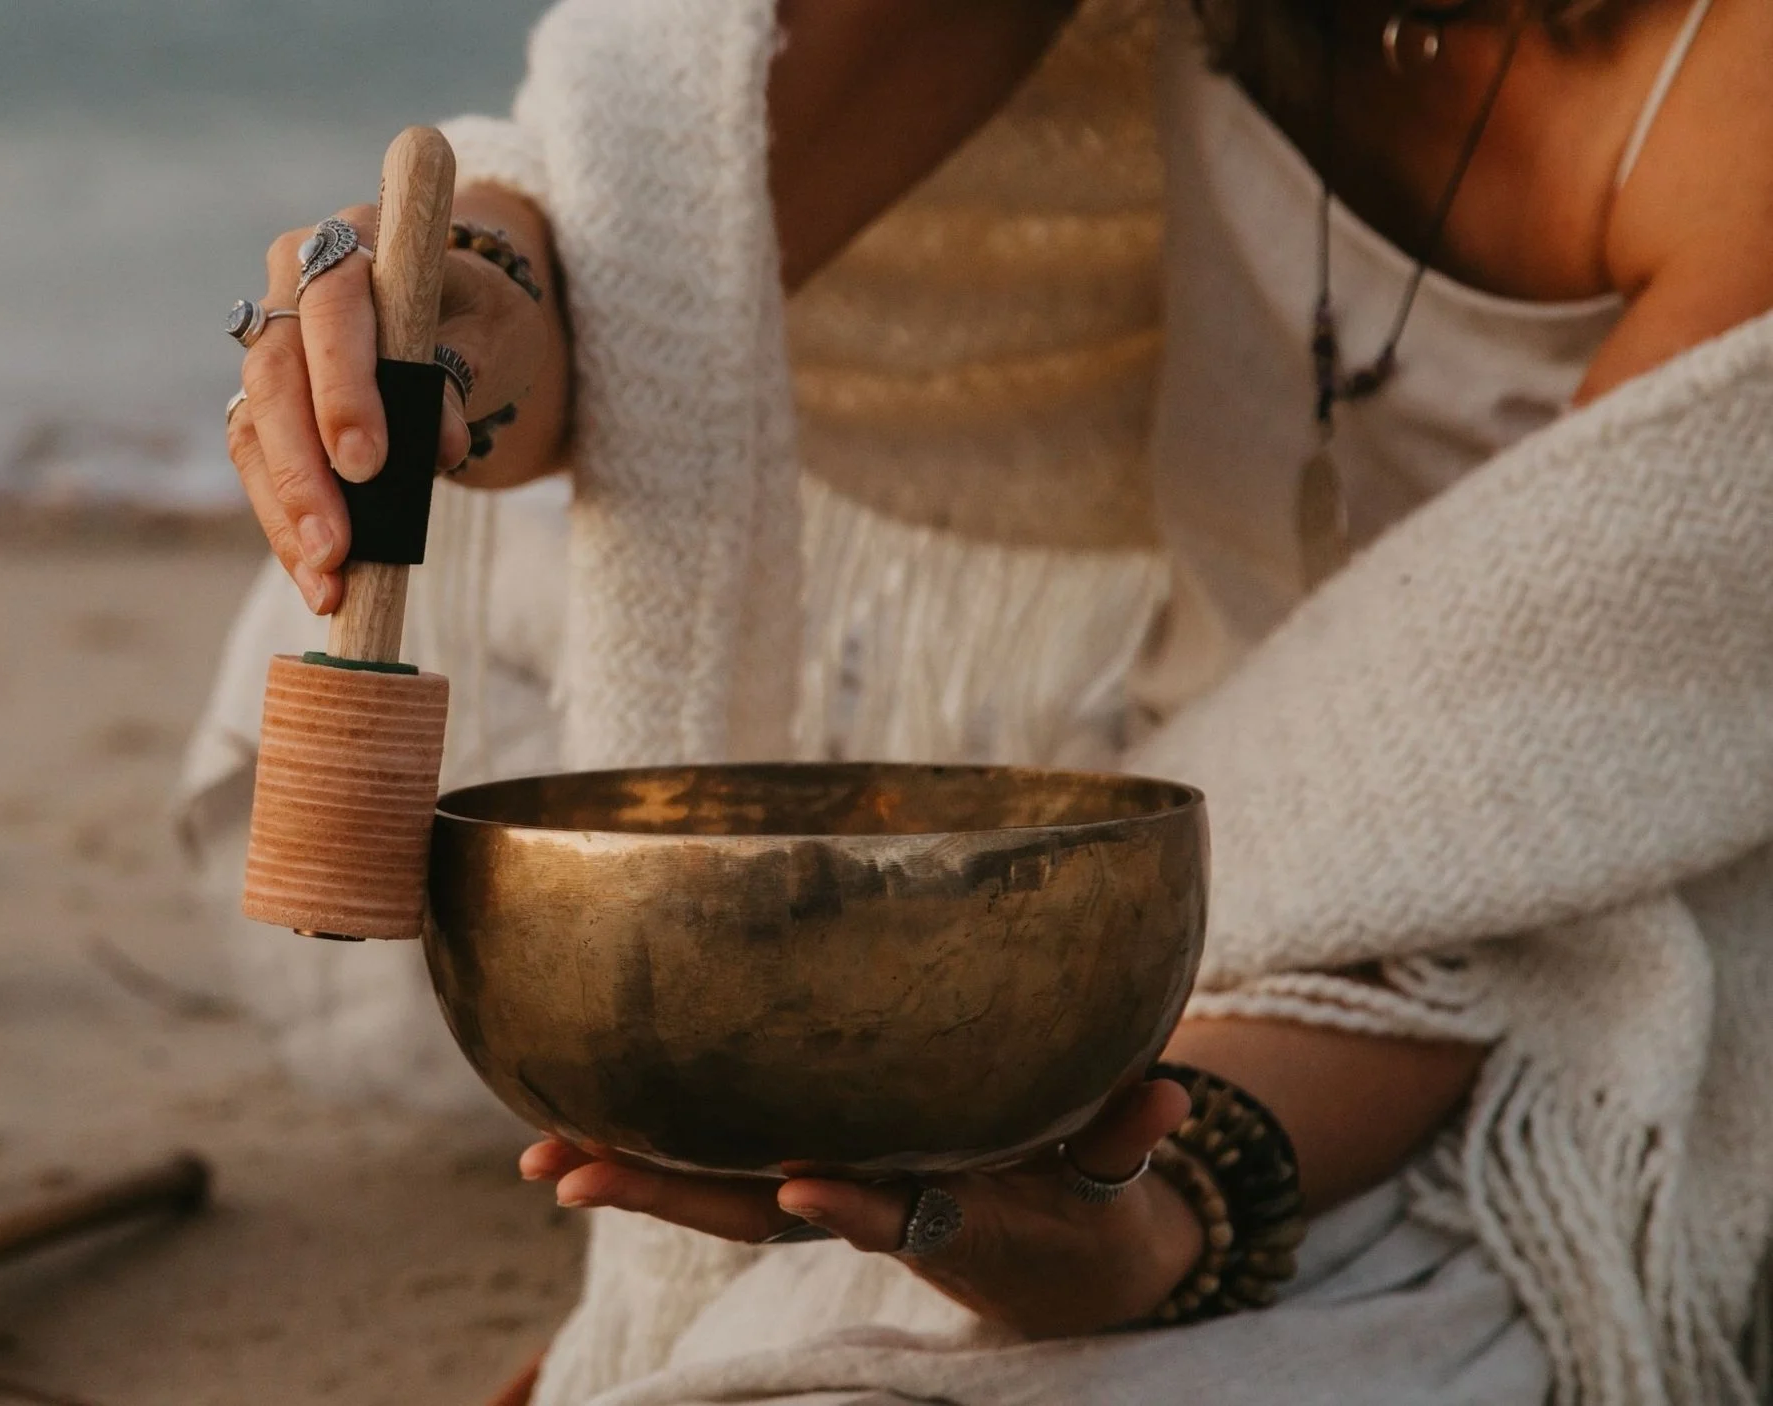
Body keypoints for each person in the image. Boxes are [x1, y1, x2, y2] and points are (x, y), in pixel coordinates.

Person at [209, 1, 1773, 1402]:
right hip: (1180, 776)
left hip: (1597, 876)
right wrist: (462, 292)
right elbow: (660, 261)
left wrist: (1162, 1215)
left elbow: (1500, 802)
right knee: (294, 674)